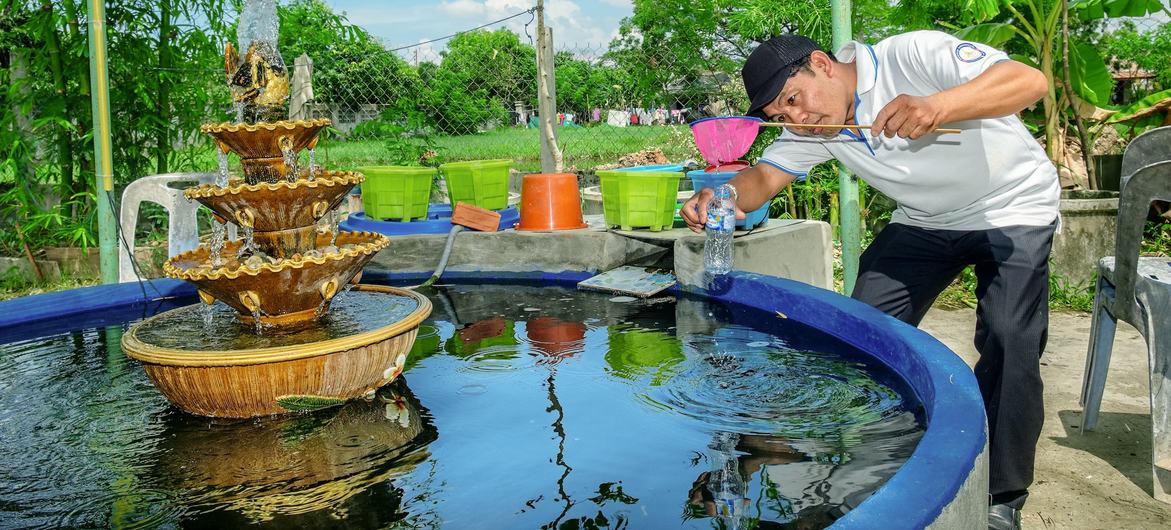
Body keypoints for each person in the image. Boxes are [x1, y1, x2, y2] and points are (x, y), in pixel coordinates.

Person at [681, 31, 1060, 530]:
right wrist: (721, 196)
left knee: (1011, 338)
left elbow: (1028, 81)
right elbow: (765, 179)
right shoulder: (815, 129)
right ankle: (877, 458)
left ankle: (1000, 495)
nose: (795, 119)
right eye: (779, 115)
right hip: (924, 222)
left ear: (822, 63)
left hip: (1012, 207)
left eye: (794, 99)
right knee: (862, 336)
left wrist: (937, 105)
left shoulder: (910, 55)